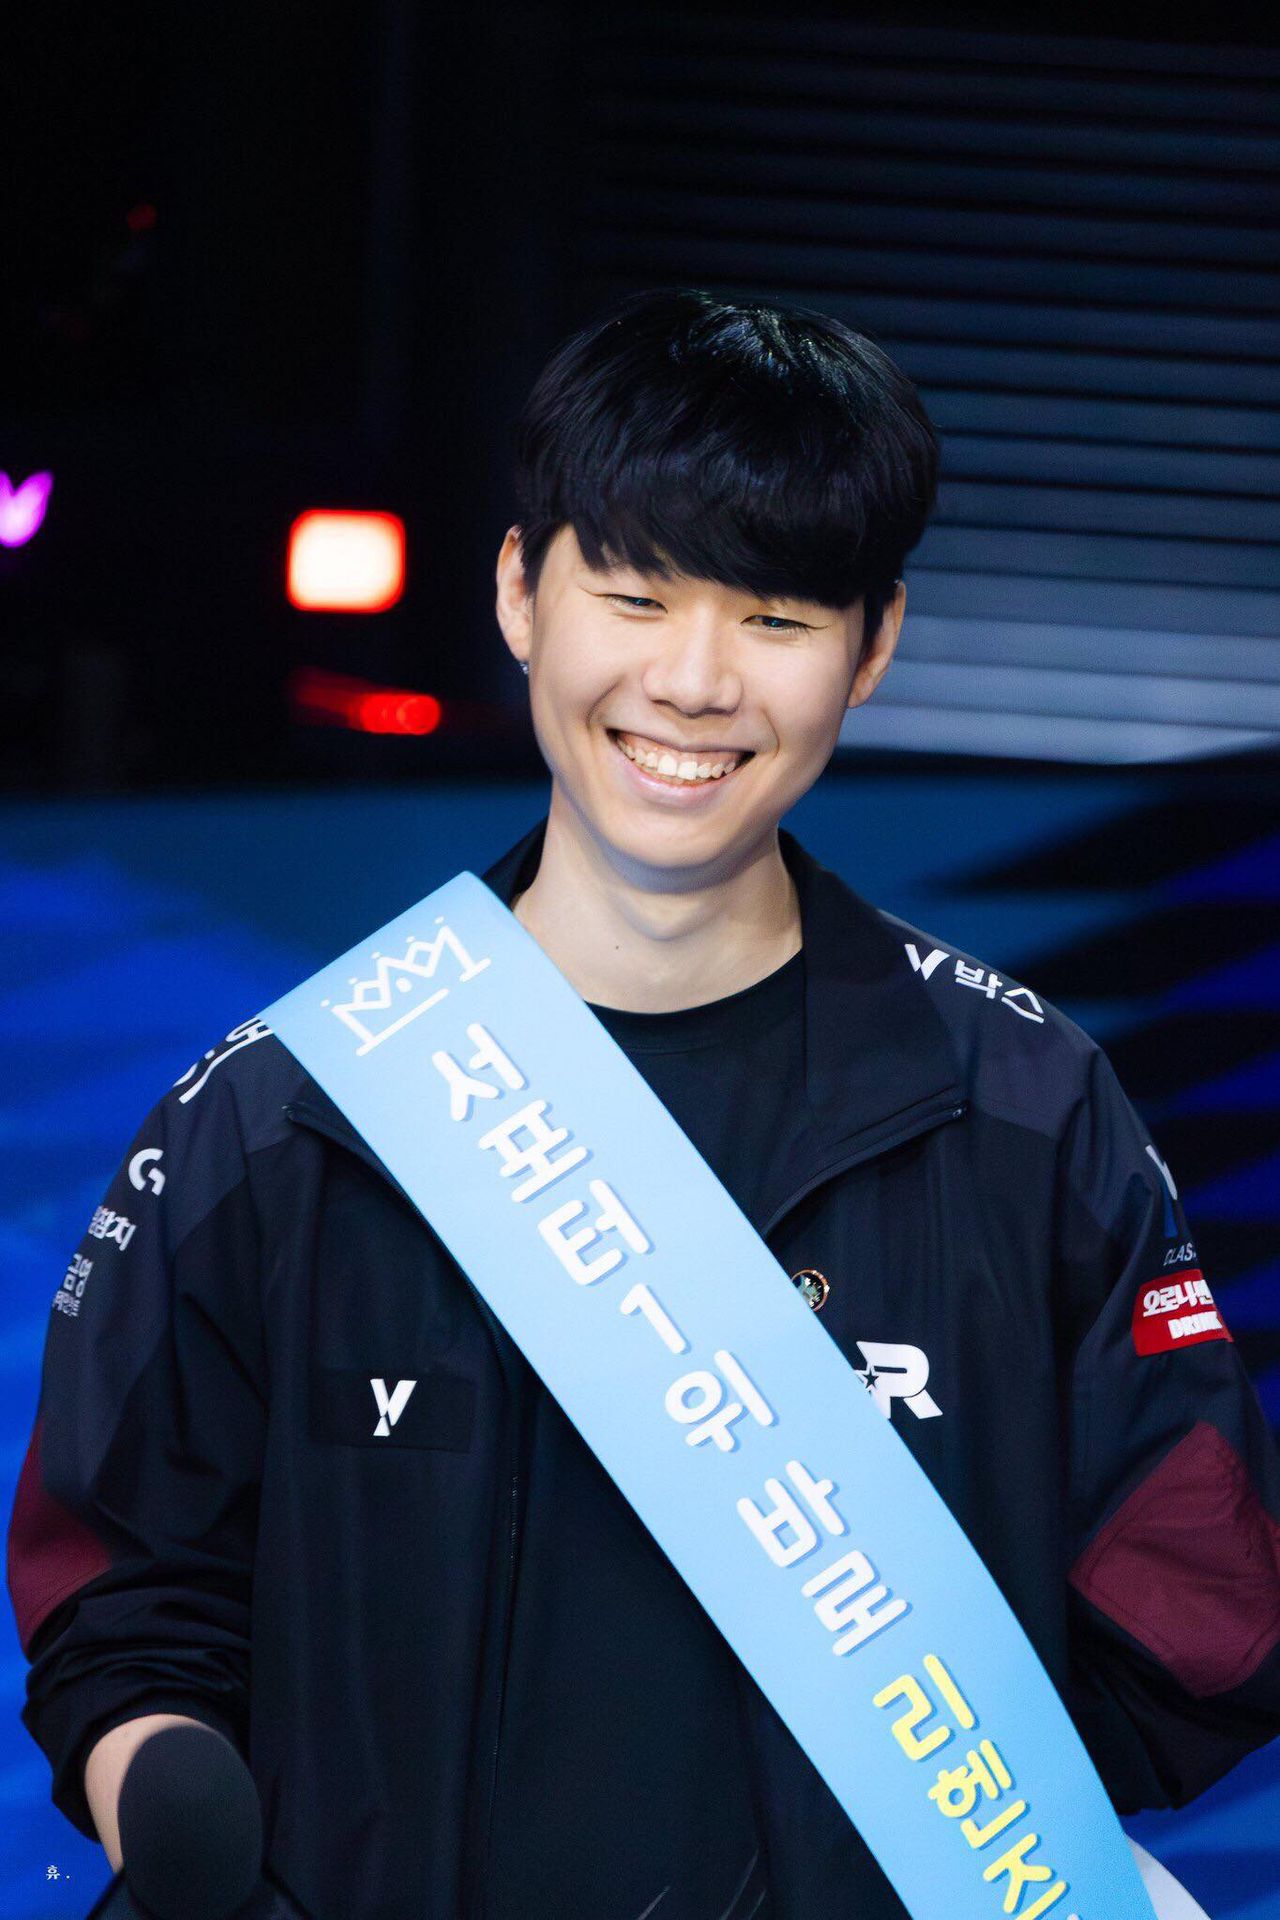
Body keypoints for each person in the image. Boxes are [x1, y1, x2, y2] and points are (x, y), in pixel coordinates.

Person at [8, 287, 1280, 1920]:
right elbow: (119, 1603)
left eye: (776, 618)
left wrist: (950, 1853)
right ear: (518, 593)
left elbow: (1200, 1606)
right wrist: (180, 1804)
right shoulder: (285, 1117)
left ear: (874, 646)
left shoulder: (1027, 1111)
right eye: (633, 593)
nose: (692, 681)